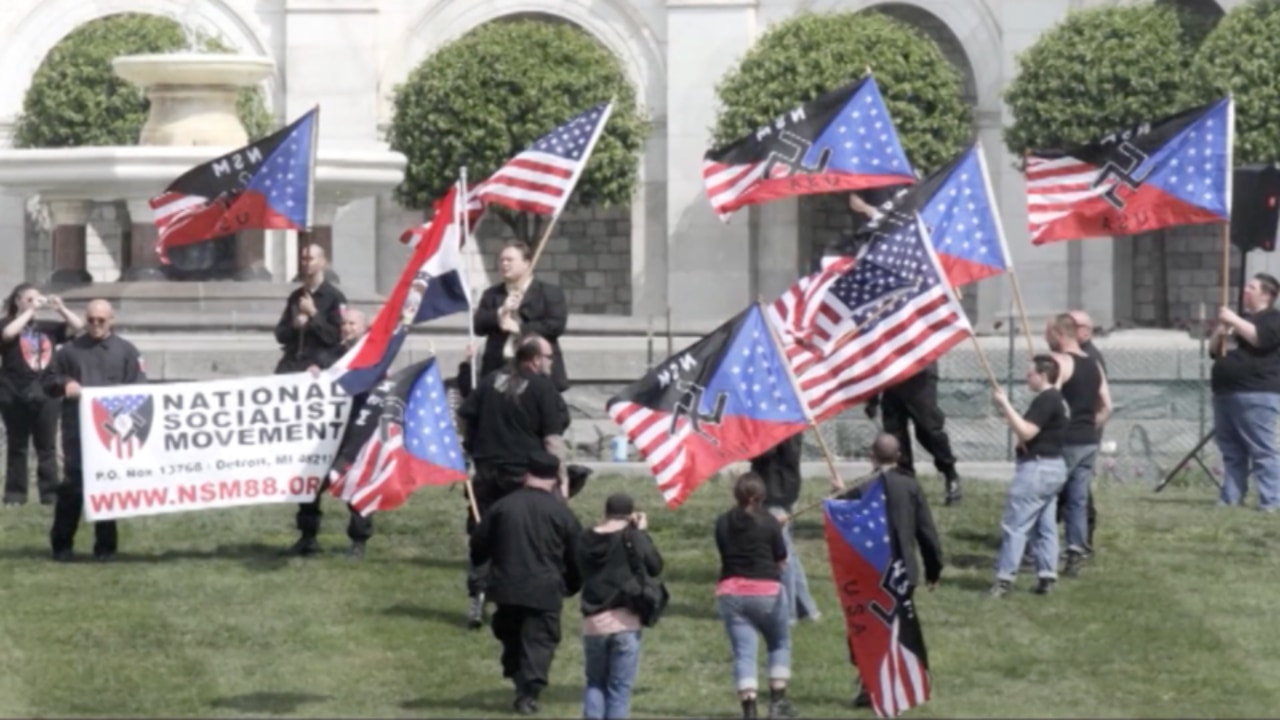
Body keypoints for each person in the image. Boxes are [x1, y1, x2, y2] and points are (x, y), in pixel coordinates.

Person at [457, 333, 570, 628]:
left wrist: (469, 446)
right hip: (523, 477)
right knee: (522, 539)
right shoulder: (542, 389)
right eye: (548, 358)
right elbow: (552, 439)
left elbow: (464, 415)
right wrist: (561, 476)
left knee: (483, 535)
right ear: (533, 360)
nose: (551, 363)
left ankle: (478, 596)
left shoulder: (491, 380)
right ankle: (517, 601)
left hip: (486, 474)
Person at [470, 450, 583, 715]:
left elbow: (479, 546)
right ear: (555, 478)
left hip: (505, 587)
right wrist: (573, 583)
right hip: (545, 588)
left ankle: (518, 676)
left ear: (525, 474)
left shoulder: (502, 507)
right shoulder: (561, 513)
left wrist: (482, 572)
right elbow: (577, 553)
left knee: (511, 634)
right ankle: (528, 691)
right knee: (540, 641)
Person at [837, 433, 943, 708]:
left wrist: (839, 495)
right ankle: (893, 684)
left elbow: (846, 522)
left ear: (872, 455)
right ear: (898, 457)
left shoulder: (862, 488)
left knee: (867, 627)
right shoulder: (910, 487)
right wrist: (934, 568)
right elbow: (926, 531)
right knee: (898, 628)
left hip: (871, 568)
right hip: (903, 571)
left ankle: (868, 682)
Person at [43, 299, 145, 561]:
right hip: (76, 428)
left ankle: (105, 548)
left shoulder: (126, 351)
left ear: (112, 320)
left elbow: (140, 387)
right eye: (91, 320)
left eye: (101, 320)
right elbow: (49, 380)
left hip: (113, 434)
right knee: (73, 486)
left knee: (107, 488)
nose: (96, 325)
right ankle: (62, 545)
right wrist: (65, 383)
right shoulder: (69, 351)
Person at [290, 308, 373, 558]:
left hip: (357, 433)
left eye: (353, 324)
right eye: (344, 323)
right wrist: (312, 374)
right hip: (327, 436)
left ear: (364, 329)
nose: (347, 328)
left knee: (358, 487)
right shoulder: (329, 356)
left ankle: (358, 541)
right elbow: (313, 375)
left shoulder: (373, 357)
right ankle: (308, 537)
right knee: (311, 485)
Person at [714, 472, 796, 720]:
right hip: (767, 591)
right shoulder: (769, 522)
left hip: (731, 592)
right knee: (779, 643)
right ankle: (777, 703)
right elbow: (781, 561)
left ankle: (749, 709)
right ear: (761, 496)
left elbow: (726, 551)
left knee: (744, 652)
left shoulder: (722, 522)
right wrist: (778, 529)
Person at [577, 492, 664, 720]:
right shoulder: (631, 536)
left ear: (605, 512)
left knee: (595, 682)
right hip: (625, 622)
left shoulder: (585, 539)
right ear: (630, 515)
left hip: (593, 623)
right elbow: (655, 566)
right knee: (619, 689)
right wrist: (641, 533)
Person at [989, 356, 1070, 598]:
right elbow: (1035, 432)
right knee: (1045, 526)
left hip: (1037, 469)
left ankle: (1004, 579)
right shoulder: (1060, 400)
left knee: (1016, 525)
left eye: (1030, 374)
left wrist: (1004, 403)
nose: (1027, 378)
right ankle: (1046, 575)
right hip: (1054, 467)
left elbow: (1026, 429)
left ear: (1043, 375)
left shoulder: (1046, 399)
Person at [0, 283, 83, 506]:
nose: (35, 303)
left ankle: (50, 494)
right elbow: (7, 335)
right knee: (18, 445)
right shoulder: (7, 323)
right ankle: (15, 495)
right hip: (13, 391)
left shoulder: (47, 328)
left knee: (46, 446)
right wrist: (27, 311)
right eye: (29, 299)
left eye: (38, 300)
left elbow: (77, 326)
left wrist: (60, 308)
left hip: (46, 391)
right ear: (17, 300)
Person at [750, 435, 841, 624]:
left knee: (782, 556)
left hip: (774, 492)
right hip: (784, 490)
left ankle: (788, 613)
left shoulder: (776, 427)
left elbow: (765, 451)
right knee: (788, 551)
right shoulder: (791, 423)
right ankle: (807, 609)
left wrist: (749, 446)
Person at [1046, 314, 1111, 578]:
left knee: (1047, 495)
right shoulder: (1094, 364)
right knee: (1078, 499)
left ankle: (1038, 549)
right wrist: (1091, 426)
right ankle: (1076, 550)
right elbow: (1107, 405)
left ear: (1060, 335)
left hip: (1066, 440)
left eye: (1049, 333)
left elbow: (1050, 401)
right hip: (1087, 440)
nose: (1046, 338)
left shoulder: (1061, 362)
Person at [1210, 273, 1280, 511]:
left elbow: (1261, 340)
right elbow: (1214, 350)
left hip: (1256, 392)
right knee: (1231, 450)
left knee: (1261, 449)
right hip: (1226, 393)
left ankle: (1271, 500)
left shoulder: (1272, 318)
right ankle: (1231, 497)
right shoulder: (1240, 320)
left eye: (1252, 287)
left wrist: (1234, 320)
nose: (1246, 291)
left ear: (1267, 294)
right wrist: (1221, 329)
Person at [473, 240, 569, 392]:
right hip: (499, 370)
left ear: (527, 263)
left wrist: (519, 328)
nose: (504, 264)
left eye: (509, 260)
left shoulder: (549, 292)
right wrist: (500, 312)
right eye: (501, 260)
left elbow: (556, 325)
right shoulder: (492, 294)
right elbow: (478, 326)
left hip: (537, 371)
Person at [865, 363, 963, 506]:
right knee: (895, 436)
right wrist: (872, 398)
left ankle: (950, 473)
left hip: (919, 373)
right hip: (891, 375)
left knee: (928, 430)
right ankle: (906, 484)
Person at [273, 243, 347, 374]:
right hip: (293, 362)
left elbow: (335, 336)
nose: (306, 263)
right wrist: (294, 326)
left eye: (310, 259)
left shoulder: (335, 297)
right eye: (303, 259)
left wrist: (313, 313)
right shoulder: (296, 297)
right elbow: (280, 334)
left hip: (318, 363)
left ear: (322, 262)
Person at [1067, 309, 1104, 551]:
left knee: (1076, 492)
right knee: (1074, 491)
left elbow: (1102, 400)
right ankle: (1078, 542)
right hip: (1076, 432)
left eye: (1074, 326)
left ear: (1086, 331)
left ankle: (1082, 539)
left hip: (1082, 431)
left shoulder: (1090, 358)